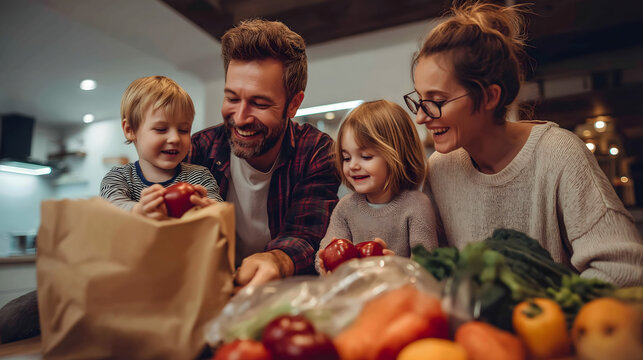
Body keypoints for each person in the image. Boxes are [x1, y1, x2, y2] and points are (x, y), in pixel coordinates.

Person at [406, 1, 643, 286]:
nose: (420, 117)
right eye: (420, 100)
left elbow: (624, 270)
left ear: (490, 97)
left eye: (437, 101)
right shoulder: (440, 168)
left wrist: (544, 315)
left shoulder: (558, 153)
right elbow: (435, 273)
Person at [188, 19, 340, 287]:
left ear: (293, 104)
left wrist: (277, 260)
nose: (241, 117)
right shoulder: (199, 149)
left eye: (259, 103)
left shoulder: (316, 151)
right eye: (232, 98)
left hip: (284, 297)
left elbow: (306, 234)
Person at [316, 100, 438, 273]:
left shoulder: (417, 205)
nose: (353, 166)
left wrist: (397, 267)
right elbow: (324, 254)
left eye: (365, 156)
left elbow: (427, 265)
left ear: (399, 155)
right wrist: (325, 266)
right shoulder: (345, 207)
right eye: (346, 158)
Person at [100, 76, 223, 218]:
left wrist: (209, 208)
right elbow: (111, 207)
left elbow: (218, 210)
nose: (175, 138)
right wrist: (140, 210)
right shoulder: (118, 177)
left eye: (183, 130)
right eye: (161, 129)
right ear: (130, 130)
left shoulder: (200, 176)